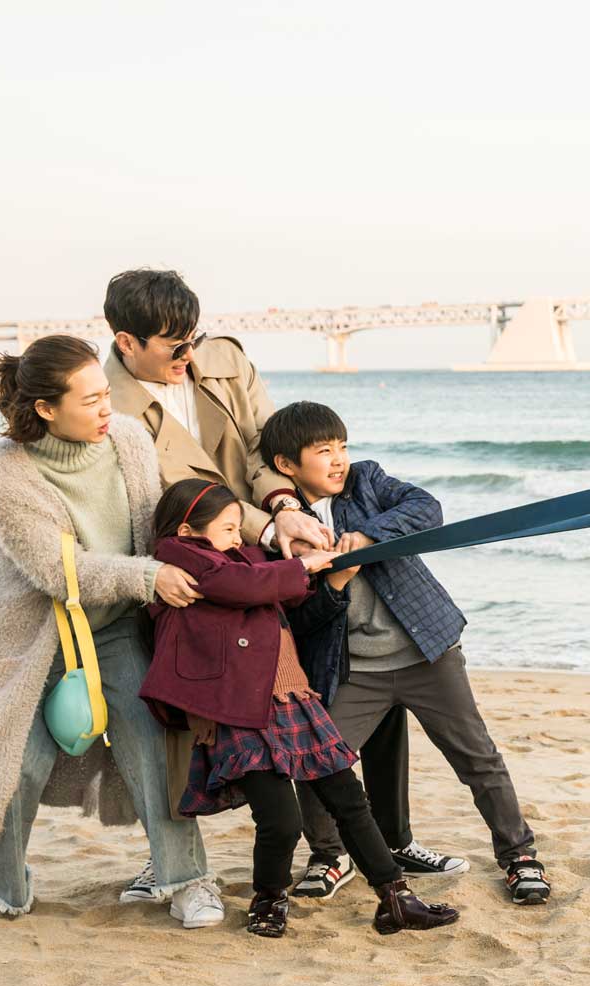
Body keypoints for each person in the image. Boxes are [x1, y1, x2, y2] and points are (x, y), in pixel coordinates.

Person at [100, 267, 353, 903]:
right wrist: (270, 533)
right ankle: (179, 864)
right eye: (171, 346)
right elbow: (171, 507)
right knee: (187, 728)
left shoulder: (224, 361)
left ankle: (337, 851)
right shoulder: (108, 407)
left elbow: (266, 446)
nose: (188, 357)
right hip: (197, 574)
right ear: (127, 343)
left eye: (194, 338)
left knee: (309, 699)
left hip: (273, 552)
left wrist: (286, 503)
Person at [0, 336, 221, 928]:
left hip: (117, 627)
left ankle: (186, 879)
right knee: (17, 762)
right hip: (36, 636)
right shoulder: (1, 477)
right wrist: (151, 576)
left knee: (150, 748)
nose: (108, 409)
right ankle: (5, 884)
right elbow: (60, 569)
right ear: (46, 409)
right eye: (91, 400)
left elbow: (155, 530)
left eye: (107, 394)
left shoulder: (127, 438)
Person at [139, 478, 460, 937]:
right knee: (281, 821)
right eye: (228, 528)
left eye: (238, 527)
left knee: (350, 802)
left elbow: (290, 605)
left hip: (293, 700)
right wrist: (304, 565)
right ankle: (268, 897)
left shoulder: (248, 564)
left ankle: (395, 896)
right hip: (239, 713)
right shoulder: (184, 564)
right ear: (188, 532)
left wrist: (331, 580)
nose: (237, 536)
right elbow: (238, 586)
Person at [261, 401, 551, 905]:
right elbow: (300, 618)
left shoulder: (367, 482)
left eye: (342, 447)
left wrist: (369, 535)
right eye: (323, 451)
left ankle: (519, 857)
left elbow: (427, 510)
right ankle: (330, 857)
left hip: (427, 651)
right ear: (287, 466)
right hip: (353, 670)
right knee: (315, 763)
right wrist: (334, 582)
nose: (338, 460)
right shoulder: (283, 531)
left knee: (477, 758)